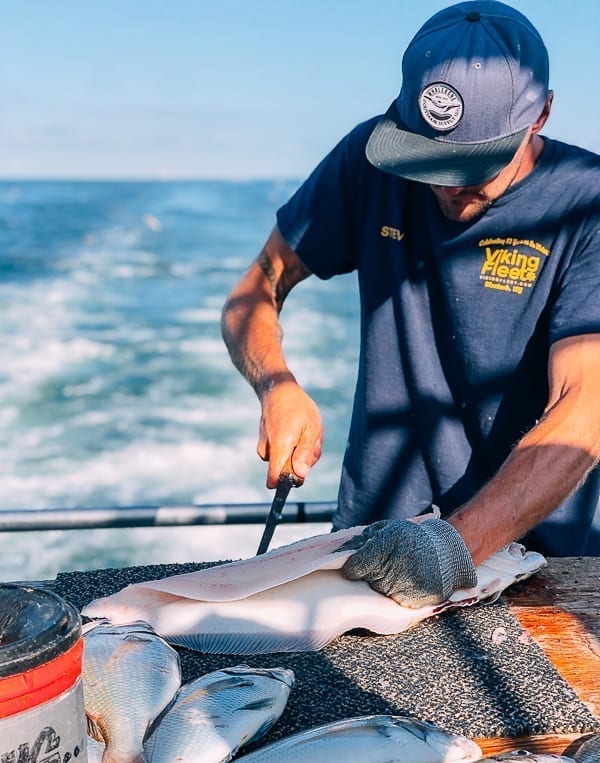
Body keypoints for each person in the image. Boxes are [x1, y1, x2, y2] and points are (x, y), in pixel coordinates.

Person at [221, 0, 600, 608]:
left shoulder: (588, 206)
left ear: (542, 114)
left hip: (534, 563)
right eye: (427, 159)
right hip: (371, 543)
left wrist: (452, 547)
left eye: (473, 165)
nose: (448, 185)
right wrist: (276, 385)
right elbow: (257, 285)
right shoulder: (366, 161)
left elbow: (585, 408)